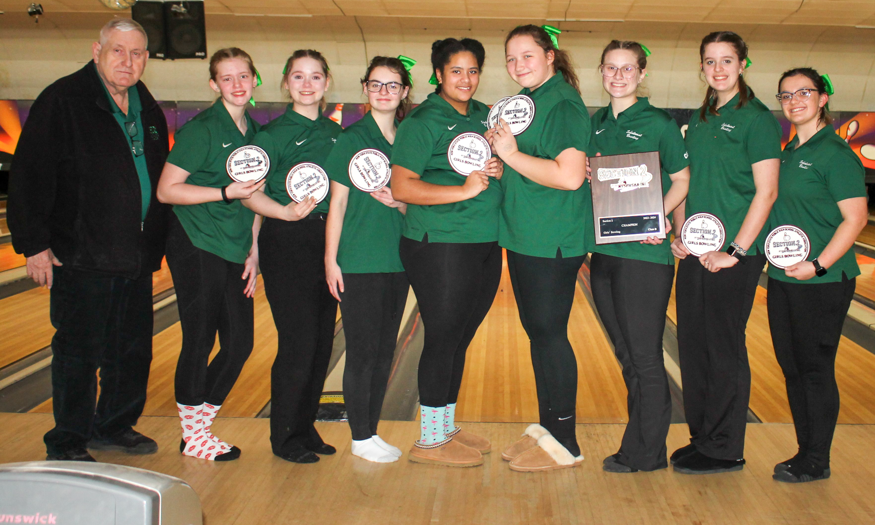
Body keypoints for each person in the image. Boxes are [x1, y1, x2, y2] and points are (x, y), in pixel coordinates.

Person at [7, 18, 169, 461]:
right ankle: (69, 440)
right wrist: (34, 244)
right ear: (96, 49)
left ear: (146, 59)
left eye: (136, 54)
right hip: (81, 254)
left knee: (131, 350)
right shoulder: (63, 100)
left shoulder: (146, 106)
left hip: (134, 255)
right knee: (79, 353)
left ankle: (114, 425)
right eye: (118, 51)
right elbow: (28, 176)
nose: (127, 61)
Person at [670, 31, 781, 474]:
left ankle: (725, 447)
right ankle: (703, 436)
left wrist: (735, 250)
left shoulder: (756, 119)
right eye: (710, 61)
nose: (718, 69)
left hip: (736, 252)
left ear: (743, 66)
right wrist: (681, 233)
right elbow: (687, 181)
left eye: (727, 61)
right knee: (693, 343)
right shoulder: (698, 119)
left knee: (723, 346)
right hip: (698, 250)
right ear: (701, 67)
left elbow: (767, 192)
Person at [391, 38, 503, 467]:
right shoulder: (423, 121)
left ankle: (445, 427)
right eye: (456, 71)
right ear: (438, 74)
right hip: (439, 243)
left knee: (461, 334)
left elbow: (489, 169)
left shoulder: (482, 115)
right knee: (442, 335)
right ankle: (429, 441)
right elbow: (403, 186)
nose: (466, 79)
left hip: (482, 241)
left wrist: (497, 167)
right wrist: (462, 189)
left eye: (473, 70)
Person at [489, 25, 590, 472]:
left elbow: (568, 175)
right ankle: (549, 428)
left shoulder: (563, 102)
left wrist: (510, 155)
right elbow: (531, 163)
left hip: (552, 239)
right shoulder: (530, 103)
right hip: (527, 235)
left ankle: (566, 441)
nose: (518, 66)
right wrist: (502, 162)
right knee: (538, 335)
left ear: (550, 56)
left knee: (549, 336)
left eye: (527, 56)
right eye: (511, 59)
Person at [587, 41, 690, 473]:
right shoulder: (594, 123)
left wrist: (658, 219)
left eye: (627, 68)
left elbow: (682, 180)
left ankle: (647, 452)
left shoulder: (659, 123)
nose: (618, 76)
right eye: (610, 68)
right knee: (628, 356)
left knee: (645, 356)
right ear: (602, 71)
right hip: (605, 254)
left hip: (645, 259)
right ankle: (640, 443)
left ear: (641, 73)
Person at [156, 47, 265, 461]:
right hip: (196, 241)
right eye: (227, 78)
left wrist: (253, 250)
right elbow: (168, 189)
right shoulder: (202, 130)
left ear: (255, 80)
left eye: (243, 76)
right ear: (213, 84)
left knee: (239, 343)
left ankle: (198, 429)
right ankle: (193, 434)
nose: (237, 85)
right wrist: (224, 192)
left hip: (236, 246)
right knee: (199, 339)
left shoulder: (254, 135)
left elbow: (253, 200)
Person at [242, 49, 342, 464]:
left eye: (315, 77)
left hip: (329, 240)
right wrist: (257, 243)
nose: (306, 84)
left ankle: (304, 427)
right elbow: (249, 193)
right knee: (298, 343)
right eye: (298, 77)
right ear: (285, 82)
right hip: (287, 238)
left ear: (327, 83)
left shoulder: (339, 135)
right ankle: (283, 437)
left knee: (322, 344)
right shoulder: (271, 135)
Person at [767, 68, 867, 483]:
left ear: (823, 98)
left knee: (814, 368)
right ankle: (804, 450)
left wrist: (819, 264)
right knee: (791, 367)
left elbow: (856, 218)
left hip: (824, 280)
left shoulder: (835, 153)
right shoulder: (787, 152)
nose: (795, 101)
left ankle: (817, 459)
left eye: (804, 92)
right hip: (785, 277)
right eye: (786, 95)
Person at [324, 56, 413, 464]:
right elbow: (337, 204)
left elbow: (418, 204)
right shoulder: (351, 138)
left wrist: (400, 204)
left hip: (398, 260)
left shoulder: (410, 140)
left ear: (405, 92)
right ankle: (359, 437)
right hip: (359, 259)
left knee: (383, 352)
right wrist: (330, 259)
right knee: (361, 351)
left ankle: (371, 430)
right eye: (376, 84)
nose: (384, 92)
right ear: (364, 89)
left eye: (392, 85)